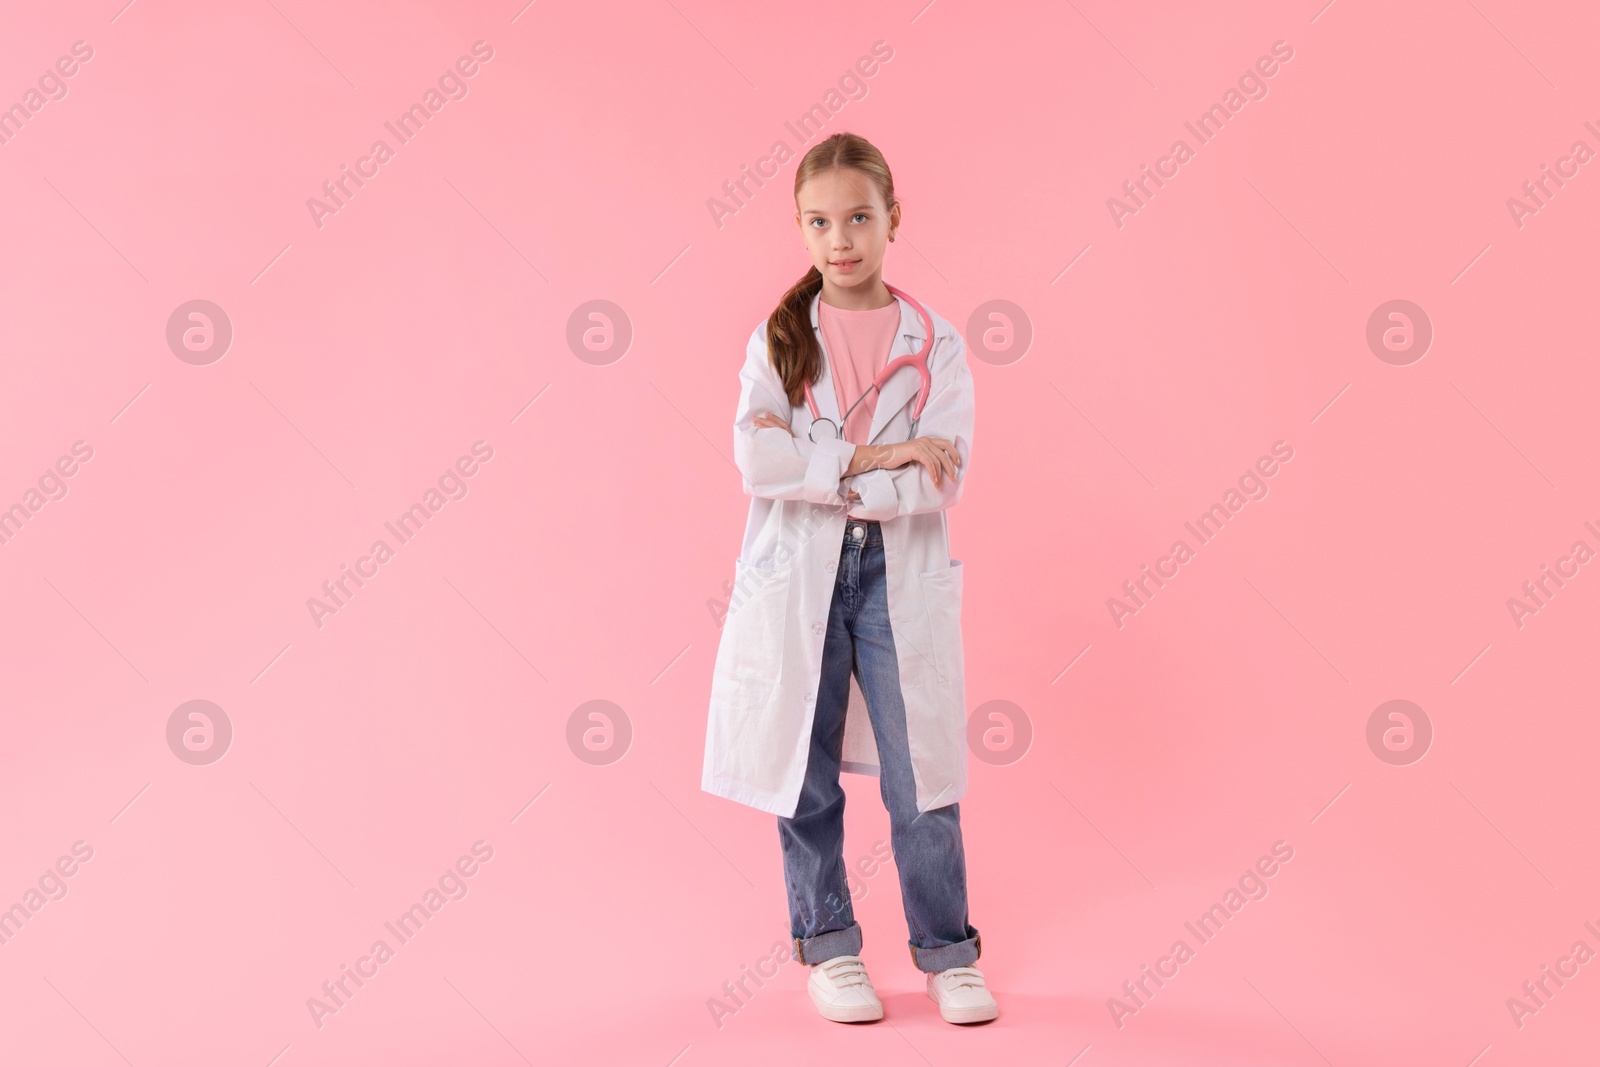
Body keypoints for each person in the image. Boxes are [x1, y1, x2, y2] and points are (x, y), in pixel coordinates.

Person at [701, 131, 996, 1025]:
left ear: (892, 220)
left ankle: (947, 952)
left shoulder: (936, 342)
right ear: (800, 228)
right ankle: (828, 945)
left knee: (924, 774)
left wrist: (828, 467)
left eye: (860, 217)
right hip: (803, 575)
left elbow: (939, 476)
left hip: (891, 573)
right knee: (804, 767)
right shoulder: (778, 339)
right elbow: (759, 460)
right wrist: (882, 452)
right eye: (822, 221)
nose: (842, 239)